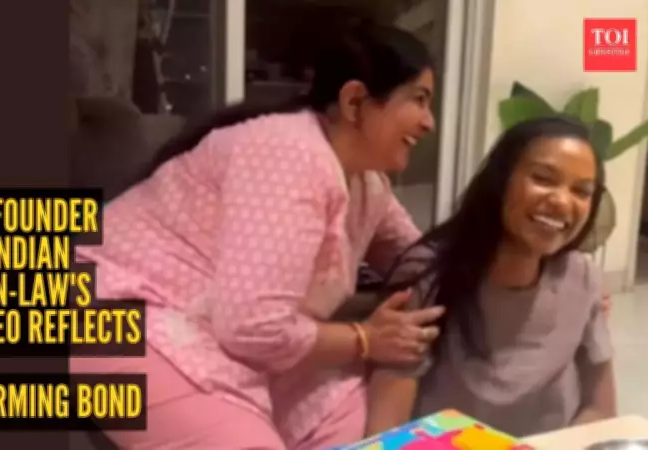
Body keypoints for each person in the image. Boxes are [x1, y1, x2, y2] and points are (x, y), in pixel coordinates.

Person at [70, 20, 447, 449]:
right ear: (355, 101)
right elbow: (253, 327)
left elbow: (418, 258)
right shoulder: (289, 152)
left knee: (350, 418)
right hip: (129, 318)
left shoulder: (367, 183)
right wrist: (366, 339)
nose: (429, 123)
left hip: (236, 339)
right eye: (419, 100)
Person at [365, 116, 617, 438]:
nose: (561, 201)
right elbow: (387, 431)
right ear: (501, 180)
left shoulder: (583, 278)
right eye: (543, 178)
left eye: (581, 191)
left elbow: (601, 410)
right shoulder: (428, 275)